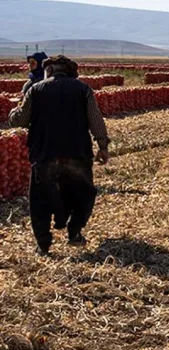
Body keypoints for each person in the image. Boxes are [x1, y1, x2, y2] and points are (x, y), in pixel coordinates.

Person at [8, 55, 110, 256]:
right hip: (77, 152)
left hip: (45, 153)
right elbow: (95, 119)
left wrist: (14, 110)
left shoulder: (35, 90)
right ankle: (74, 232)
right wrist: (103, 145)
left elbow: (19, 120)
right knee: (82, 193)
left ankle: (43, 245)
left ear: (51, 71)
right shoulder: (83, 90)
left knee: (40, 200)